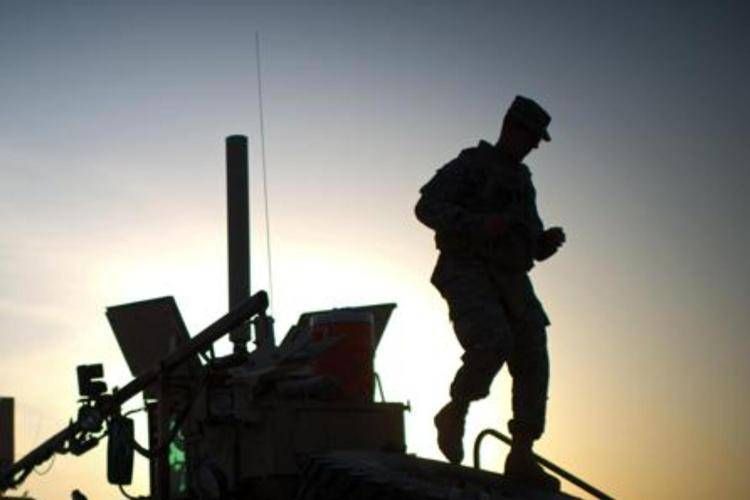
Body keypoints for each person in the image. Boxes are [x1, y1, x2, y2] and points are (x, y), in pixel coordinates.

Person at [414, 95, 565, 491]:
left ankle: (521, 453)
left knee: (533, 350)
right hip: (467, 268)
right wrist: (478, 224)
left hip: (510, 278)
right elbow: (426, 207)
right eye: (531, 137)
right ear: (511, 128)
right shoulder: (472, 164)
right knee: (493, 340)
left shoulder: (523, 182)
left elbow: (529, 239)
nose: (534, 146)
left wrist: (543, 244)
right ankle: (456, 410)